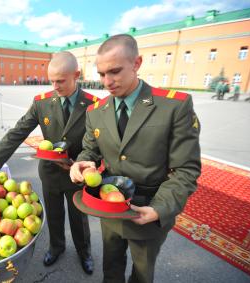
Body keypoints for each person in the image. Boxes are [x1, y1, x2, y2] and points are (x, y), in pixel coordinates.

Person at [70, 34, 201, 283]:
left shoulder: (173, 107)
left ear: (137, 63)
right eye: (101, 74)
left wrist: (159, 208)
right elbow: (90, 150)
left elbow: (186, 169)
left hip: (148, 209)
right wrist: (82, 162)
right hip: (109, 205)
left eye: (115, 71)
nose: (106, 81)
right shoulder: (96, 112)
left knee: (141, 273)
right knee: (111, 267)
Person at [0, 51, 96, 274]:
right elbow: (16, 133)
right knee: (54, 214)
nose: (55, 86)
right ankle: (56, 248)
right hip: (50, 172)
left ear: (76, 75)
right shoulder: (42, 103)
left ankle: (84, 251)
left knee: (79, 217)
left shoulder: (93, 105)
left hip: (78, 172)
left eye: (61, 81)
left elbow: (100, 141)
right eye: (51, 80)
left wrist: (86, 163)